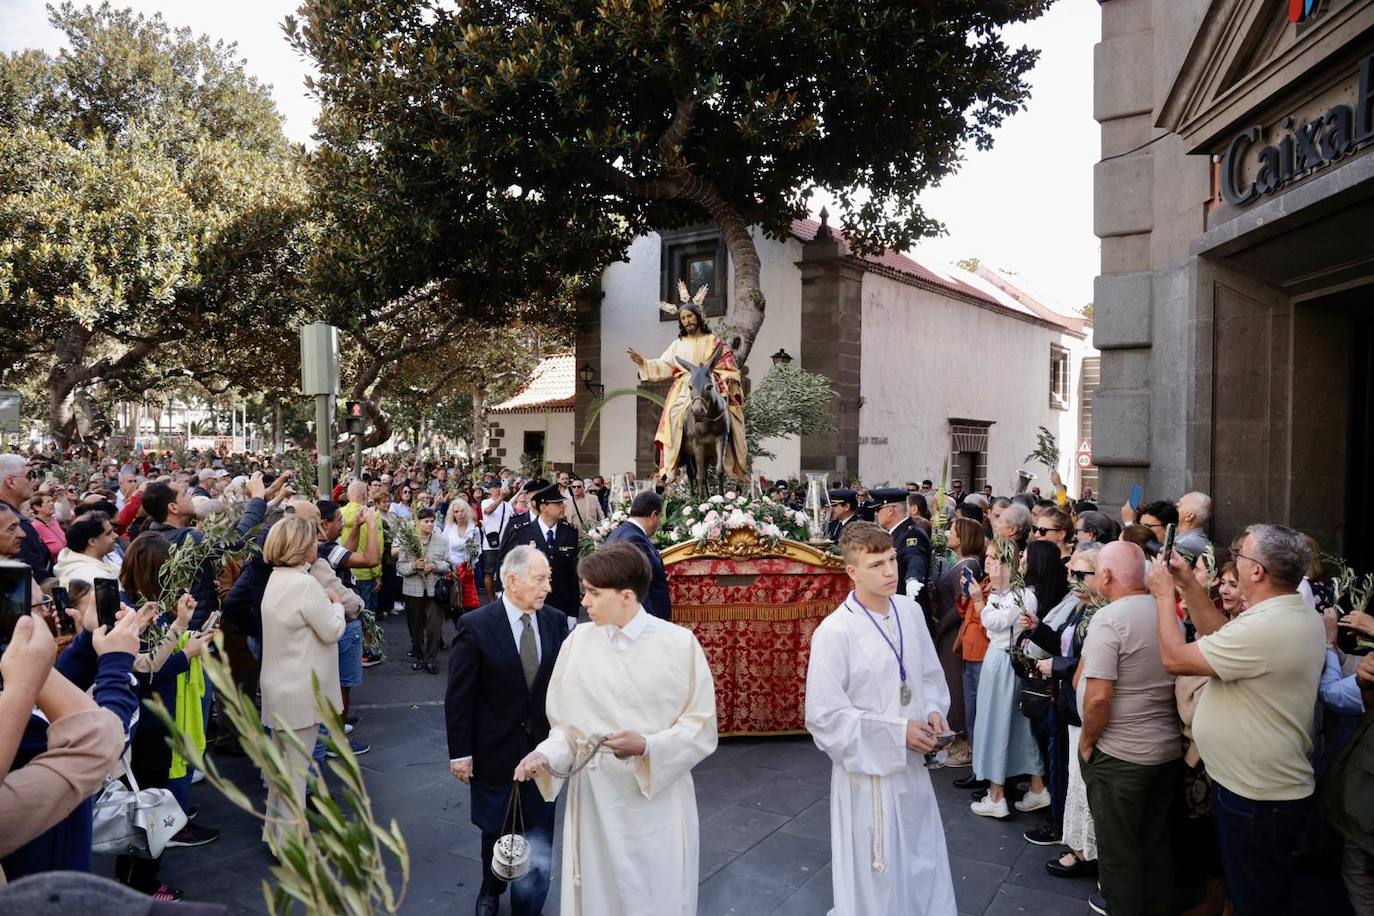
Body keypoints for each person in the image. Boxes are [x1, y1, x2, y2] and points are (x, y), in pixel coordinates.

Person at [514, 542, 717, 916]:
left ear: (626, 596)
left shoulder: (679, 644)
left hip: (658, 799)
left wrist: (648, 746)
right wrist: (545, 754)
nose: (584, 601)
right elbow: (566, 730)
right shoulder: (577, 642)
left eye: (592, 592)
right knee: (600, 895)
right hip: (597, 798)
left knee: (657, 894)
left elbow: (701, 727)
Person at [1151, 525, 1325, 916]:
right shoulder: (1284, 612)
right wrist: (1187, 586)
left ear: (1257, 571)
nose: (1236, 560)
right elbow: (1221, 635)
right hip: (1256, 789)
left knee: (1256, 902)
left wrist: (1164, 596)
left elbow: (1174, 659)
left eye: (1241, 555)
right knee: (1254, 890)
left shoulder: (1267, 626)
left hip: (1259, 797)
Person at [805, 522, 957, 915]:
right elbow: (823, 717)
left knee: (921, 861)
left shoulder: (909, 612)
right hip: (866, 778)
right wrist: (895, 732)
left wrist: (934, 710)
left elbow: (927, 673)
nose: (891, 572)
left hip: (912, 769)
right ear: (852, 572)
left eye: (891, 560)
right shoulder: (835, 632)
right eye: (876, 565)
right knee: (877, 874)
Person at [446, 545, 573, 916]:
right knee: (497, 830)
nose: (548, 586)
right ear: (512, 580)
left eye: (549, 578)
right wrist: (460, 753)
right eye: (540, 578)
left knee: (539, 833)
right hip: (494, 751)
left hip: (544, 754)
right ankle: (491, 889)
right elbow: (459, 697)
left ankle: (528, 906)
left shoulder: (555, 622)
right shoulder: (476, 626)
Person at [1078, 540, 1181, 916]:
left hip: (1121, 756)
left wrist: (1088, 743)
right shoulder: (1168, 613)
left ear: (1105, 576)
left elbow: (1099, 697)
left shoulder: (1110, 619)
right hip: (1166, 751)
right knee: (1156, 847)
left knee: (1120, 857)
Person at [258, 516, 347, 848]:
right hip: (301, 691)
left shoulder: (276, 578)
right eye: (312, 541)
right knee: (296, 775)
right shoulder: (304, 584)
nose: (316, 545)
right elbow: (332, 630)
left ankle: (275, 835)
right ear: (299, 547)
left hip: (278, 686)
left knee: (282, 772)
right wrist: (337, 605)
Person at [627, 300, 748, 483]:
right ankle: (673, 462)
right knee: (673, 414)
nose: (686, 320)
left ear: (697, 316)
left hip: (710, 384)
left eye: (689, 316)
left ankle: (732, 460)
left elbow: (728, 365)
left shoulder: (713, 341)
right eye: (683, 318)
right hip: (685, 387)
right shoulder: (678, 344)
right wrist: (643, 363)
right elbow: (664, 364)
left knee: (729, 414)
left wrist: (720, 378)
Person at [968, 538, 1046, 818]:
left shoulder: (1020, 595)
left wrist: (983, 604)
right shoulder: (1004, 595)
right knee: (1012, 725)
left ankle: (997, 794)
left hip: (1005, 662)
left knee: (997, 724)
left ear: (1006, 564)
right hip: (1001, 659)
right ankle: (1036, 788)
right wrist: (987, 605)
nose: (987, 563)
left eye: (992, 558)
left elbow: (993, 622)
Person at [930, 516, 985, 769]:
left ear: (963, 537)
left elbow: (960, 605)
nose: (948, 534)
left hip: (953, 631)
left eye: (952, 531)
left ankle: (961, 743)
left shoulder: (968, 565)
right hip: (949, 629)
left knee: (955, 685)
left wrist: (940, 626)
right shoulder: (963, 563)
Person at [497, 484, 580, 618]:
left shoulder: (570, 532)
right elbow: (510, 567)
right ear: (543, 507)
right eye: (558, 503)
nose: (563, 506)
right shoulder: (521, 533)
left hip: (561, 605)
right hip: (530, 603)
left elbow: (572, 574)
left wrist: (573, 612)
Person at [397, 508, 452, 674]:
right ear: (417, 523)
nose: (429, 524)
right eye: (426, 521)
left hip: (435, 591)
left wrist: (434, 565)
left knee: (434, 627)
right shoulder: (408, 540)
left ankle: (431, 659)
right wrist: (414, 566)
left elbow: (449, 564)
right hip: (413, 590)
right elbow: (400, 566)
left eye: (432, 521)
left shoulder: (441, 540)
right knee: (416, 626)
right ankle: (419, 656)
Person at [603, 490, 671, 620]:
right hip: (641, 619)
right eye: (660, 517)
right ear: (653, 515)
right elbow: (636, 585)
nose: (659, 524)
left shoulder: (622, 531)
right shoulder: (634, 538)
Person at [870, 487, 930, 604]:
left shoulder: (912, 534)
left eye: (878, 509)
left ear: (890, 510)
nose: (876, 514)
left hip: (907, 606)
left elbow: (915, 557)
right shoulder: (894, 533)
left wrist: (913, 578)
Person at [0, 455, 54, 581]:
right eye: (29, 476)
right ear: (11, 482)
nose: (33, 481)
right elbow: (38, 577)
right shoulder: (18, 523)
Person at [53, 513, 119, 588]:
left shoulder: (97, 557)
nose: (116, 536)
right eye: (109, 533)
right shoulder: (92, 577)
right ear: (92, 541)